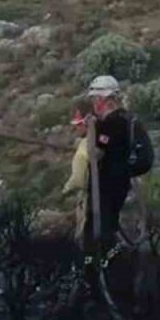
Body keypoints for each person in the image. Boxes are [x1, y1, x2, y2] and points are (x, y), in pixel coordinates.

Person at [83, 75, 134, 284]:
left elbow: (94, 154)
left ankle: (98, 275)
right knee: (107, 227)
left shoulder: (110, 124)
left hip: (106, 186)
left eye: (97, 99)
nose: (95, 103)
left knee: (97, 231)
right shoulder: (123, 120)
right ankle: (109, 271)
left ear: (106, 99)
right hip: (117, 184)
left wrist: (91, 131)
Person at [62, 99, 93, 242]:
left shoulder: (84, 147)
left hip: (90, 202)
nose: (76, 128)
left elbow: (78, 180)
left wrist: (66, 190)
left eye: (79, 124)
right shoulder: (105, 139)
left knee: (85, 239)